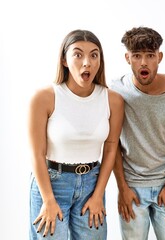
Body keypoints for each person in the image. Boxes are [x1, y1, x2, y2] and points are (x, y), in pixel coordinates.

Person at [28, 29, 124, 240]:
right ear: (64, 60)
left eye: (94, 55)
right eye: (78, 54)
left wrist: (98, 194)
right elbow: (37, 154)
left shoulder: (113, 101)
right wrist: (49, 200)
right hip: (51, 184)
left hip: (92, 183)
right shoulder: (44, 98)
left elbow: (110, 148)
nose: (87, 62)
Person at [109, 26, 165, 240]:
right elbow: (111, 143)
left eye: (150, 56)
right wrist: (122, 187)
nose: (143, 62)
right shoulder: (116, 91)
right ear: (127, 58)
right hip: (131, 186)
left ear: (159, 57)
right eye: (137, 56)